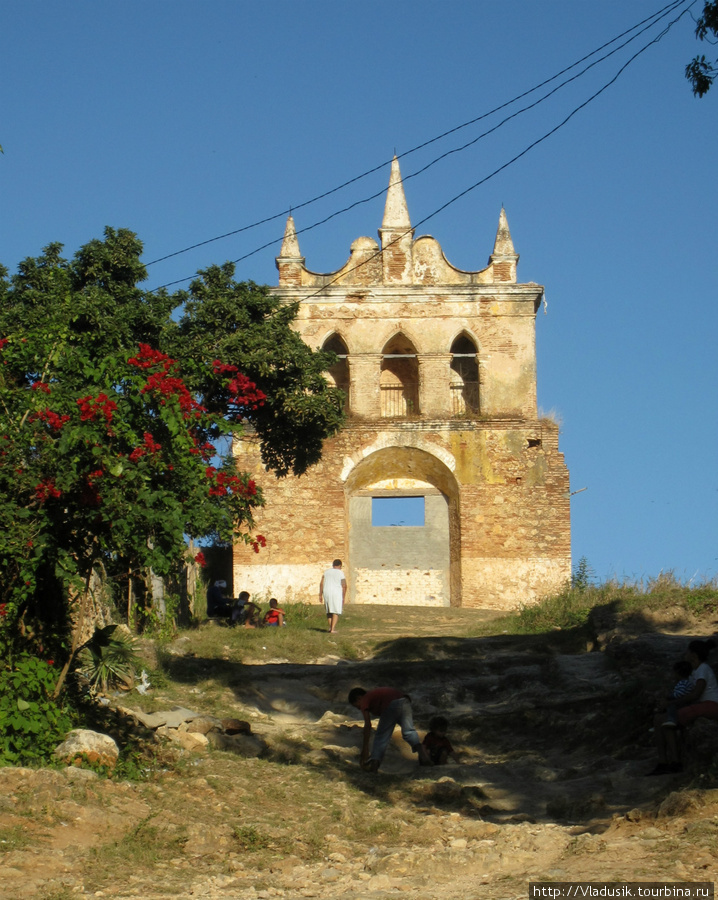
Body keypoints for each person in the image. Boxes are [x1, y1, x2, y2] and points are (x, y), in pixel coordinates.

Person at [648, 638, 718, 775]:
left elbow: (696, 694)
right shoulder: (696, 671)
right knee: (663, 721)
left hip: (710, 705)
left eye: (688, 651)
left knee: (663, 720)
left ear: (693, 655)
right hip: (703, 705)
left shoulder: (702, 669)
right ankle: (667, 761)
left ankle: (671, 761)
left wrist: (671, 703)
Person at [348, 686, 432, 772]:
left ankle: (374, 766)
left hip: (391, 705)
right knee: (408, 732)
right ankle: (423, 754)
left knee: (381, 737)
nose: (359, 708)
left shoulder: (365, 699)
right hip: (404, 701)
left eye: (357, 706)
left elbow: (368, 725)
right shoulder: (374, 695)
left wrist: (365, 749)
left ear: (359, 698)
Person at [320, 559, 347, 634]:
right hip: (336, 592)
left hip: (326, 592)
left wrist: (320, 594)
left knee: (329, 611)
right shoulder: (340, 573)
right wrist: (343, 596)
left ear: (333, 565)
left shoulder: (326, 572)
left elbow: (321, 584)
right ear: (340, 566)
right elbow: (344, 585)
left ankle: (330, 627)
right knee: (336, 611)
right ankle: (333, 629)